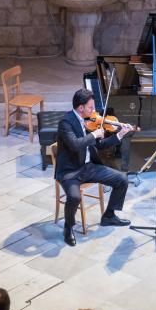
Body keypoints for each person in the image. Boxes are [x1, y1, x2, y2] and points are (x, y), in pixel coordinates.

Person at [56, 89, 134, 246]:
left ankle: (109, 216)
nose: (94, 111)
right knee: (75, 197)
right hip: (70, 172)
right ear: (80, 108)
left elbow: (100, 145)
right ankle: (68, 228)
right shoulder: (66, 123)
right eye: (90, 108)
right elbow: (75, 145)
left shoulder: (88, 120)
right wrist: (93, 135)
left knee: (122, 179)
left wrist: (119, 135)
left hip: (88, 167)